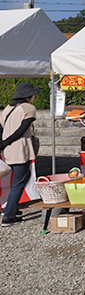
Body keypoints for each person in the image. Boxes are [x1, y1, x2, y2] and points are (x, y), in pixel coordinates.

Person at [0, 82, 41, 226]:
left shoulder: (8, 108)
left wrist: (3, 143)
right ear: (29, 95)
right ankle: (8, 216)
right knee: (19, 181)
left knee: (19, 179)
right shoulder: (29, 108)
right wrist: (7, 142)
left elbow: (1, 127)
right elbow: (22, 129)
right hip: (20, 149)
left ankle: (12, 207)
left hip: (7, 150)